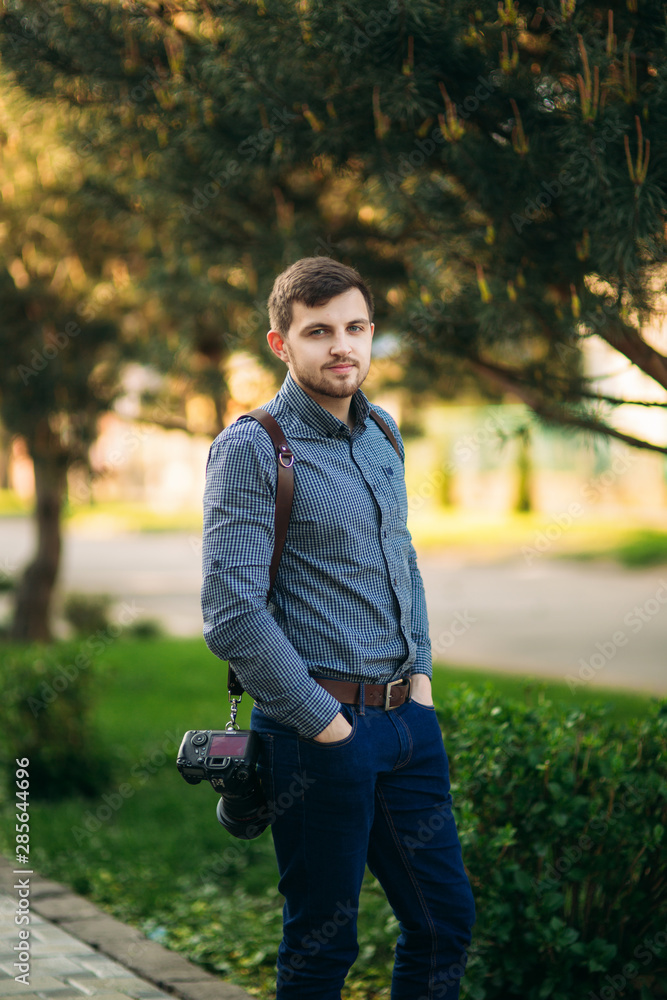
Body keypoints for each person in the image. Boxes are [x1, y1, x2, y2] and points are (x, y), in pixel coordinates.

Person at [201, 257, 475, 999]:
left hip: (407, 728)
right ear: (280, 343)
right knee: (323, 945)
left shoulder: (381, 431)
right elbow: (231, 613)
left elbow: (403, 561)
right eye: (317, 331)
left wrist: (418, 678)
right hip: (317, 734)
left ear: (371, 334)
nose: (340, 346)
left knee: (443, 922)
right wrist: (327, 727)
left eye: (354, 328)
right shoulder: (253, 448)